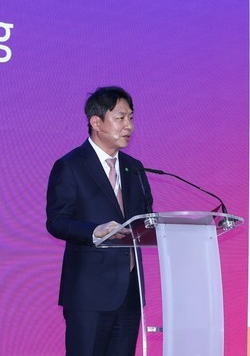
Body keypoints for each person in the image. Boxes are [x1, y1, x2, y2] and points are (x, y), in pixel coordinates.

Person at [46, 86, 153, 356]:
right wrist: (94, 231)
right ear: (96, 122)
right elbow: (57, 221)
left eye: (131, 118)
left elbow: (145, 219)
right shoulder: (71, 165)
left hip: (129, 292)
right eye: (120, 118)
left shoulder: (134, 168)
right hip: (89, 293)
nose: (129, 126)